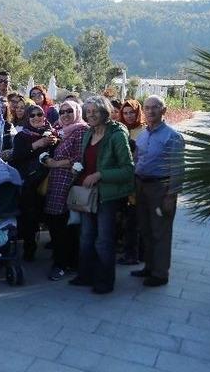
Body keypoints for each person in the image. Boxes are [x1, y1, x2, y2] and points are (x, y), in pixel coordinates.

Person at [69, 96, 134, 294]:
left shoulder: (116, 134)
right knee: (86, 236)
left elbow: (128, 169)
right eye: (88, 111)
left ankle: (105, 281)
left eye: (95, 111)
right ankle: (86, 275)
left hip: (107, 195)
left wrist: (100, 174)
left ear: (105, 112)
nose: (91, 115)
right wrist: (78, 170)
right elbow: (87, 162)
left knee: (104, 240)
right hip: (88, 194)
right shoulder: (89, 133)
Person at [131, 95, 185, 287]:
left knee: (160, 232)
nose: (151, 111)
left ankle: (160, 274)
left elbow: (178, 168)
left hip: (160, 189)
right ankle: (149, 267)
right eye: (147, 107)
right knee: (145, 229)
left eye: (155, 107)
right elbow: (138, 160)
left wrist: (171, 196)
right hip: (141, 186)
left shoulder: (173, 136)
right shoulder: (143, 134)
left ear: (164, 110)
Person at [42, 100, 87, 281]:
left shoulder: (81, 130)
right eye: (62, 112)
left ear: (77, 112)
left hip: (69, 181)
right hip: (55, 181)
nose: (66, 115)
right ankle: (63, 260)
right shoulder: (58, 129)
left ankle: (64, 263)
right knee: (55, 222)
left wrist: (55, 163)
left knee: (65, 224)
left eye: (70, 111)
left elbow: (79, 156)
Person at [11, 104, 57, 262]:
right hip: (29, 183)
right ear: (27, 118)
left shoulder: (52, 134)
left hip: (49, 182)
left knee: (51, 216)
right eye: (33, 115)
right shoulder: (21, 136)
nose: (37, 118)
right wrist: (36, 145)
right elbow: (16, 158)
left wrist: (52, 141)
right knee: (29, 218)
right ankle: (29, 249)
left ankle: (55, 249)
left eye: (40, 114)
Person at [117, 98, 146, 265]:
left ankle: (137, 253)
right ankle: (130, 251)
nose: (128, 116)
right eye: (125, 112)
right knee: (126, 219)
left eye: (132, 112)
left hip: (138, 179)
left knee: (136, 219)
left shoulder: (144, 130)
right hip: (123, 179)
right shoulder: (120, 129)